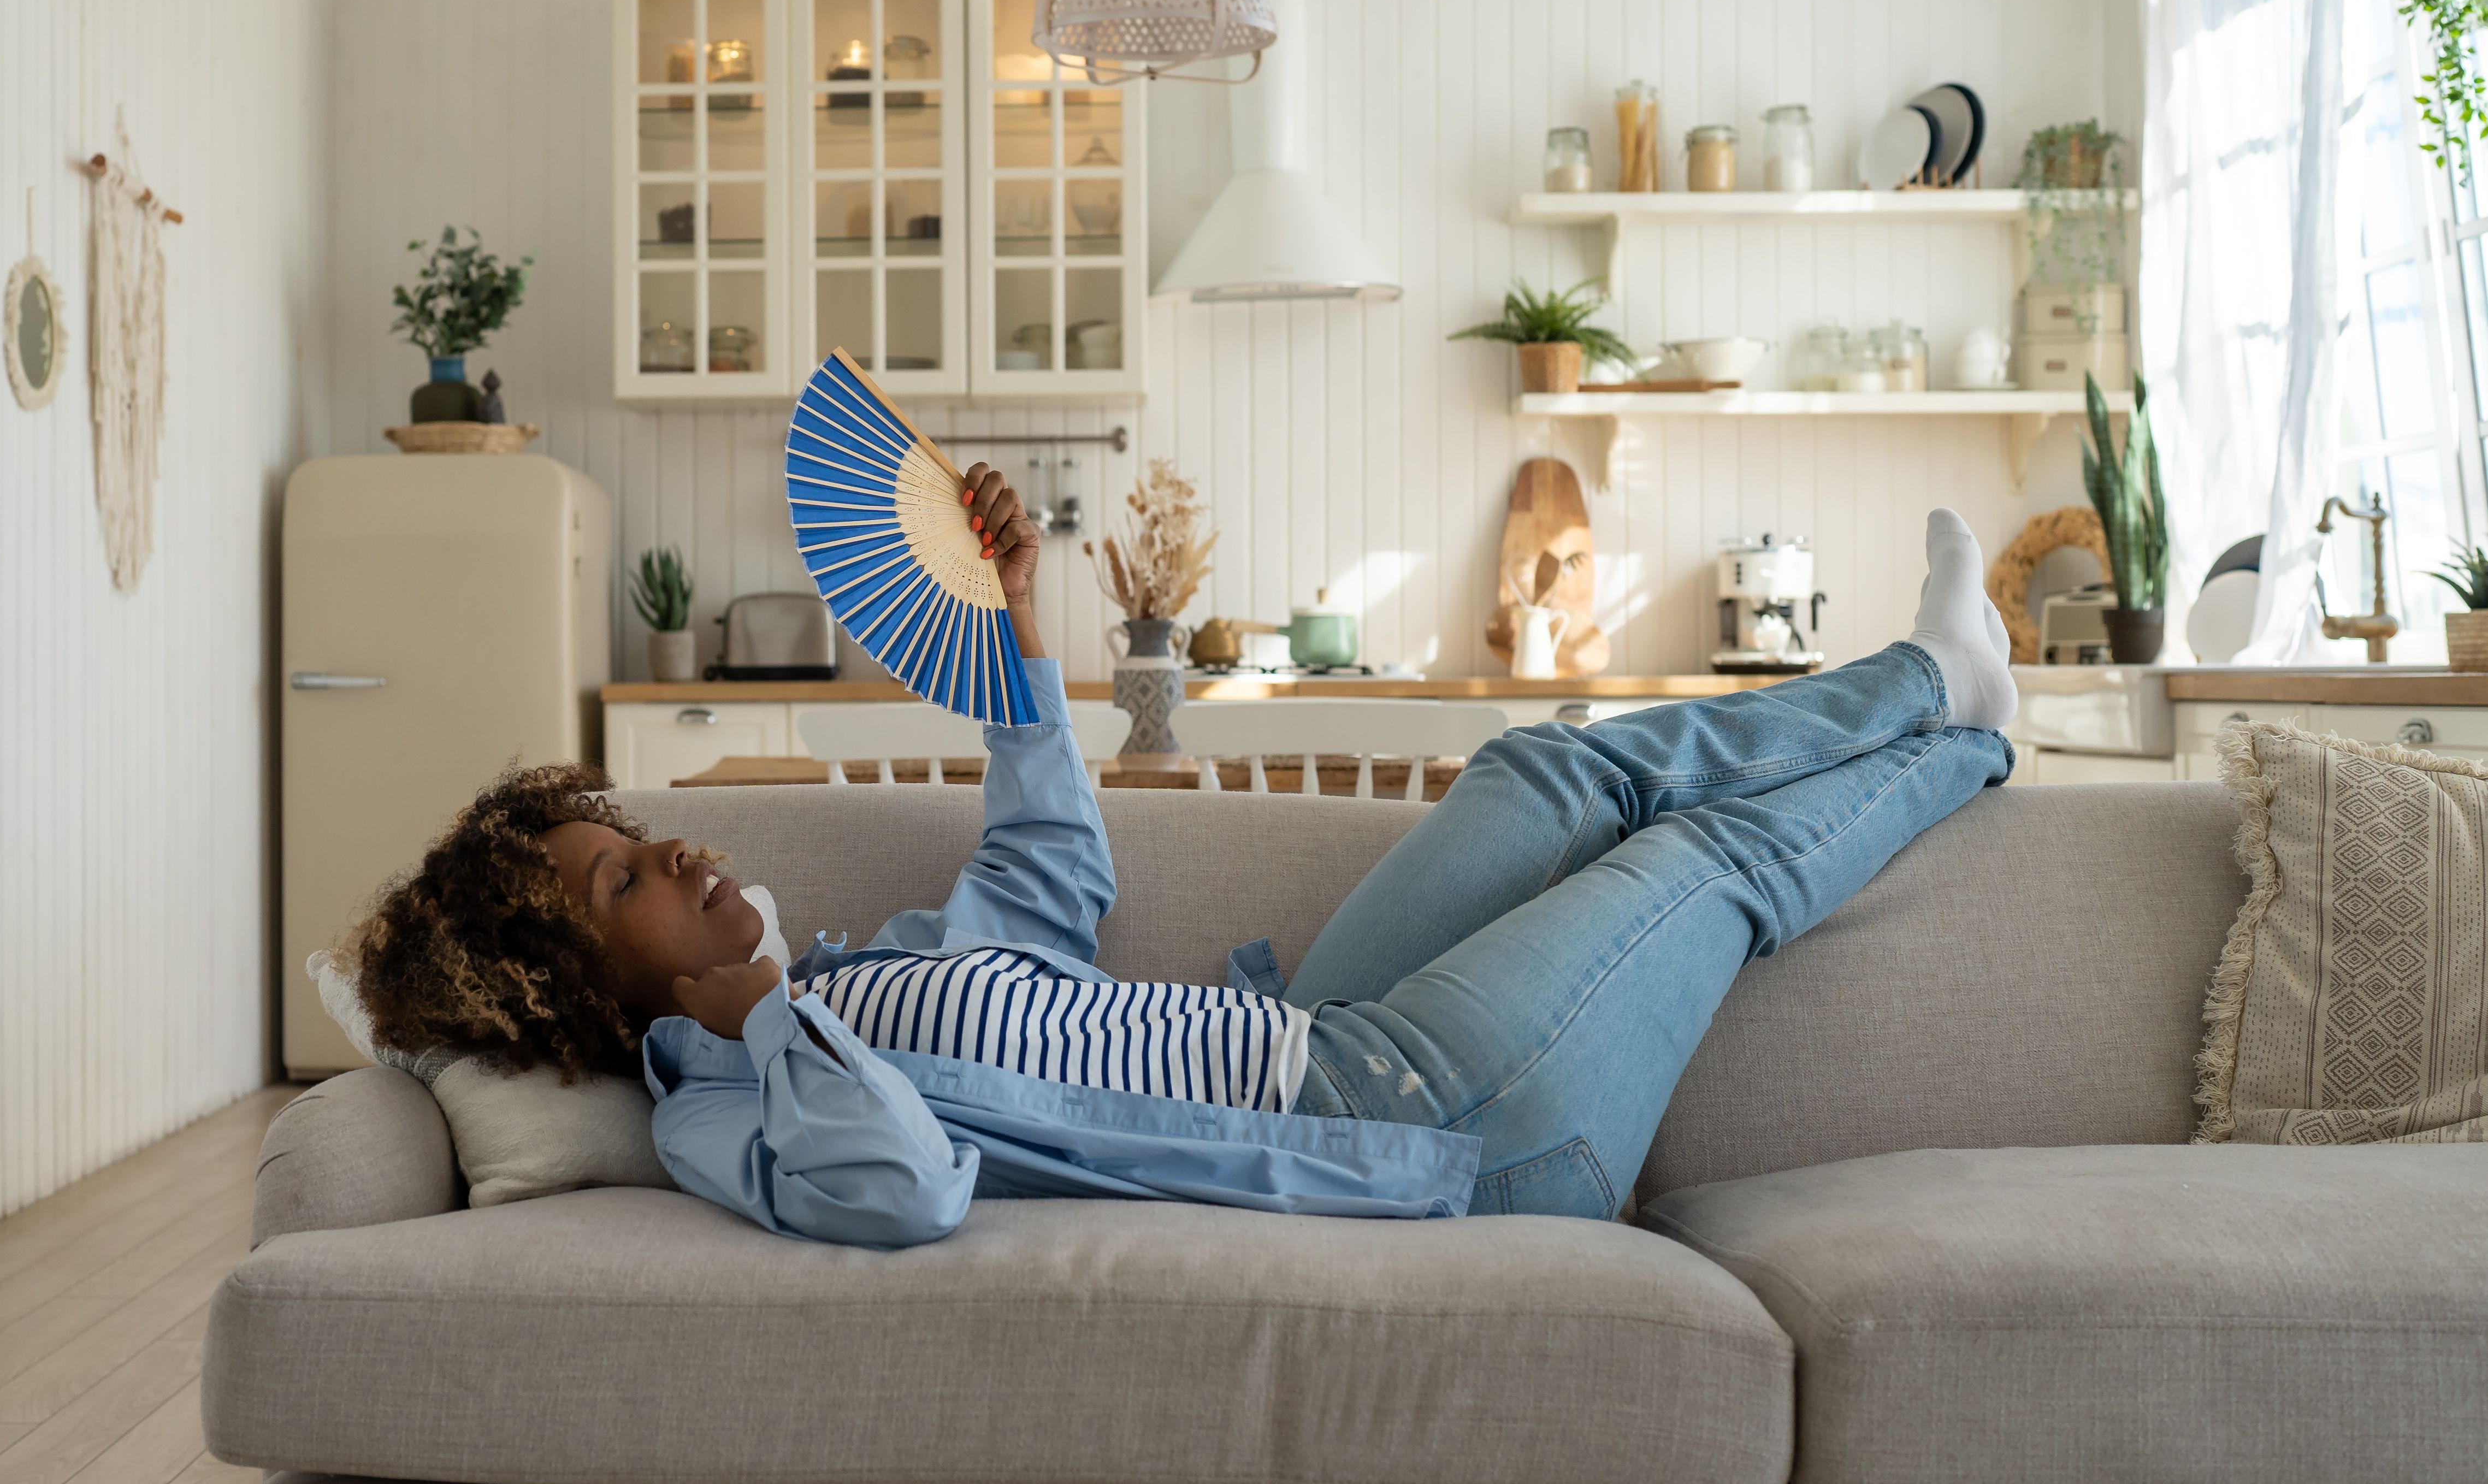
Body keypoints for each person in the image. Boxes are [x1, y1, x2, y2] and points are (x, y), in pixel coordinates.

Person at [347, 465, 2018, 1247]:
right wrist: (762, 1012)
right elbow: (905, 1192)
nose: (674, 854)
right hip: (1425, 1128)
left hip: (1325, 1034)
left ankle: (1923, 679)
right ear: (577, 985)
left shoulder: (877, 968)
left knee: (1534, 777)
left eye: (635, 839)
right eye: (617, 882)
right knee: (1686, 870)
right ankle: (1963, 718)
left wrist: (1004, 636)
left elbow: (1053, 869)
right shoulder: (735, 1109)